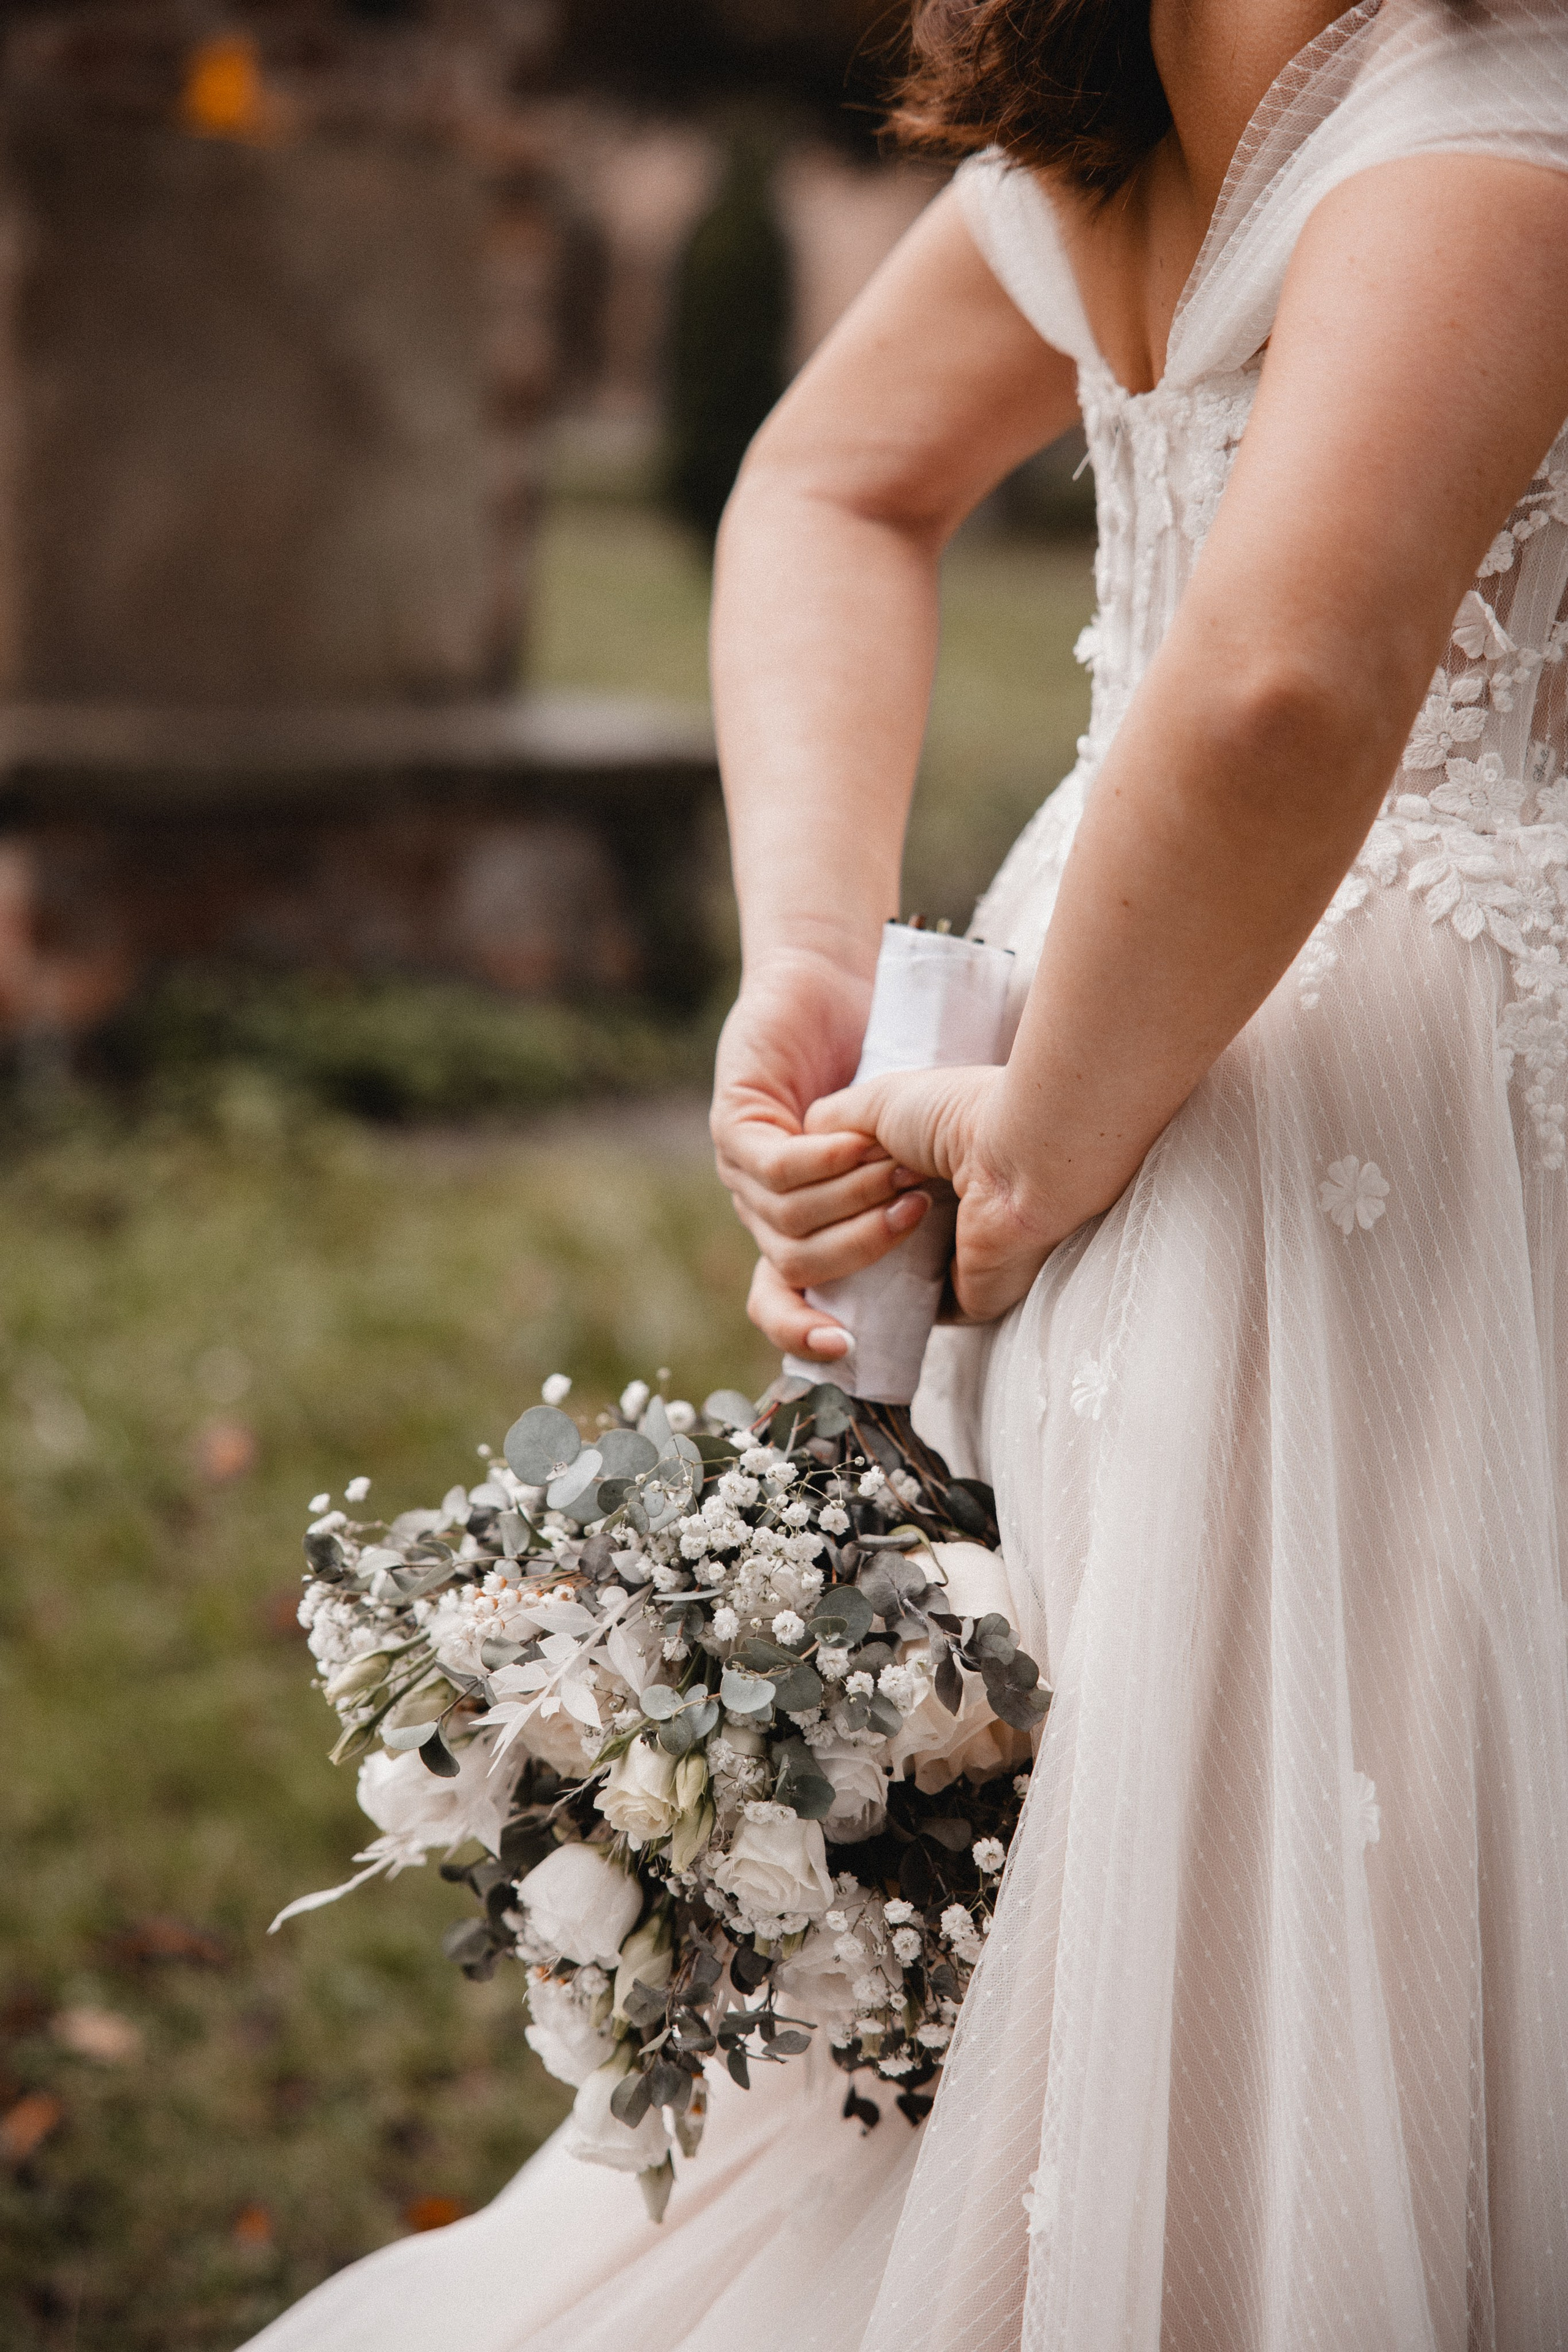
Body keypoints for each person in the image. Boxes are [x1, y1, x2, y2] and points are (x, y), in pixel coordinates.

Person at [244, 3, 1568, 2347]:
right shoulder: (1502, 110)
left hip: (1130, 1028)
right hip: (1344, 1113)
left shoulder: (1126, 113)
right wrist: (1011, 1105)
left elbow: (824, 481)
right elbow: (1282, 684)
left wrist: (845, 977)